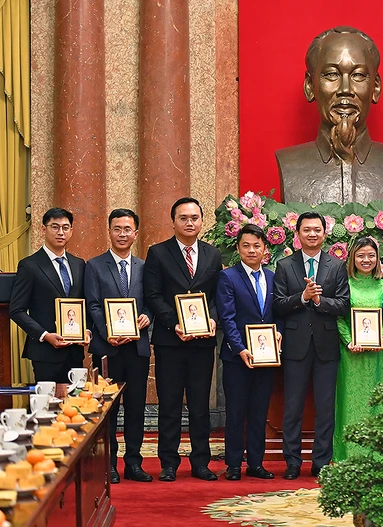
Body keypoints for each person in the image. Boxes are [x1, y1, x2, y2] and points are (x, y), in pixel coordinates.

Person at [275, 26, 383, 205]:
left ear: (375, 87)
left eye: (358, 75)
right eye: (332, 74)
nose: (345, 89)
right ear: (309, 85)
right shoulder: (289, 163)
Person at [143, 197, 222, 482]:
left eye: (195, 218)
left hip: (202, 341)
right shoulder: (158, 253)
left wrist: (213, 318)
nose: (190, 223)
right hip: (170, 341)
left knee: (201, 405)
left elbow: (216, 297)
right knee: (170, 404)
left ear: (202, 221)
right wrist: (175, 323)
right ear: (173, 221)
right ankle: (168, 463)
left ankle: (201, 462)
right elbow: (152, 296)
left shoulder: (213, 255)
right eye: (184, 218)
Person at [273, 212, 350, 479]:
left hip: (327, 347)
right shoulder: (284, 266)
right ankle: (292, 461)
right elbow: (278, 305)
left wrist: (319, 301)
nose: (312, 234)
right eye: (307, 230)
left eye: (317, 230)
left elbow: (343, 304)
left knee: (325, 407)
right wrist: (302, 297)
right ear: (298, 234)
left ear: (325, 233)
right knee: (292, 407)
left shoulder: (337, 265)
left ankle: (320, 461)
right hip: (295, 346)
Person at [84, 208, 153, 484]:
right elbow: (92, 305)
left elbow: (152, 300)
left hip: (136, 349)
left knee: (136, 408)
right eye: (117, 228)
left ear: (135, 233)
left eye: (128, 229)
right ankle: (108, 464)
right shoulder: (94, 265)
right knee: (108, 409)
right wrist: (106, 332)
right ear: (109, 231)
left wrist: (149, 315)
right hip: (108, 349)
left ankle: (133, 464)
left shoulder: (145, 267)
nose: (122, 234)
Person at [216, 224, 280, 481]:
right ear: (238, 248)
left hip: (266, 356)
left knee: (259, 411)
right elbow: (227, 317)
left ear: (265, 249)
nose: (252, 250)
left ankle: (256, 462)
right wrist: (240, 348)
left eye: (257, 245)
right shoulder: (228, 277)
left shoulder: (274, 277)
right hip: (236, 358)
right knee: (235, 411)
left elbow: (279, 313)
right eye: (246, 245)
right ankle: (233, 464)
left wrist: (280, 332)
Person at [9, 208, 89, 383]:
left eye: (65, 227)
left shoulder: (79, 264)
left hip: (75, 353)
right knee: (48, 407)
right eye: (55, 227)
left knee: (77, 406)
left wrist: (86, 330)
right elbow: (16, 310)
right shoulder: (29, 266)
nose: (61, 232)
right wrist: (45, 335)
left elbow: (85, 304)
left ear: (71, 231)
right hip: (45, 353)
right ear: (43, 229)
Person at [333, 237, 383, 462]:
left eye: (371, 255)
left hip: (377, 355)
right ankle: (348, 455)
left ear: (377, 259)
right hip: (350, 355)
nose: (366, 260)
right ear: (352, 258)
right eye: (360, 255)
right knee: (350, 401)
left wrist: (381, 336)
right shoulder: (344, 284)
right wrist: (349, 339)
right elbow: (338, 317)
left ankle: (378, 455)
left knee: (377, 402)